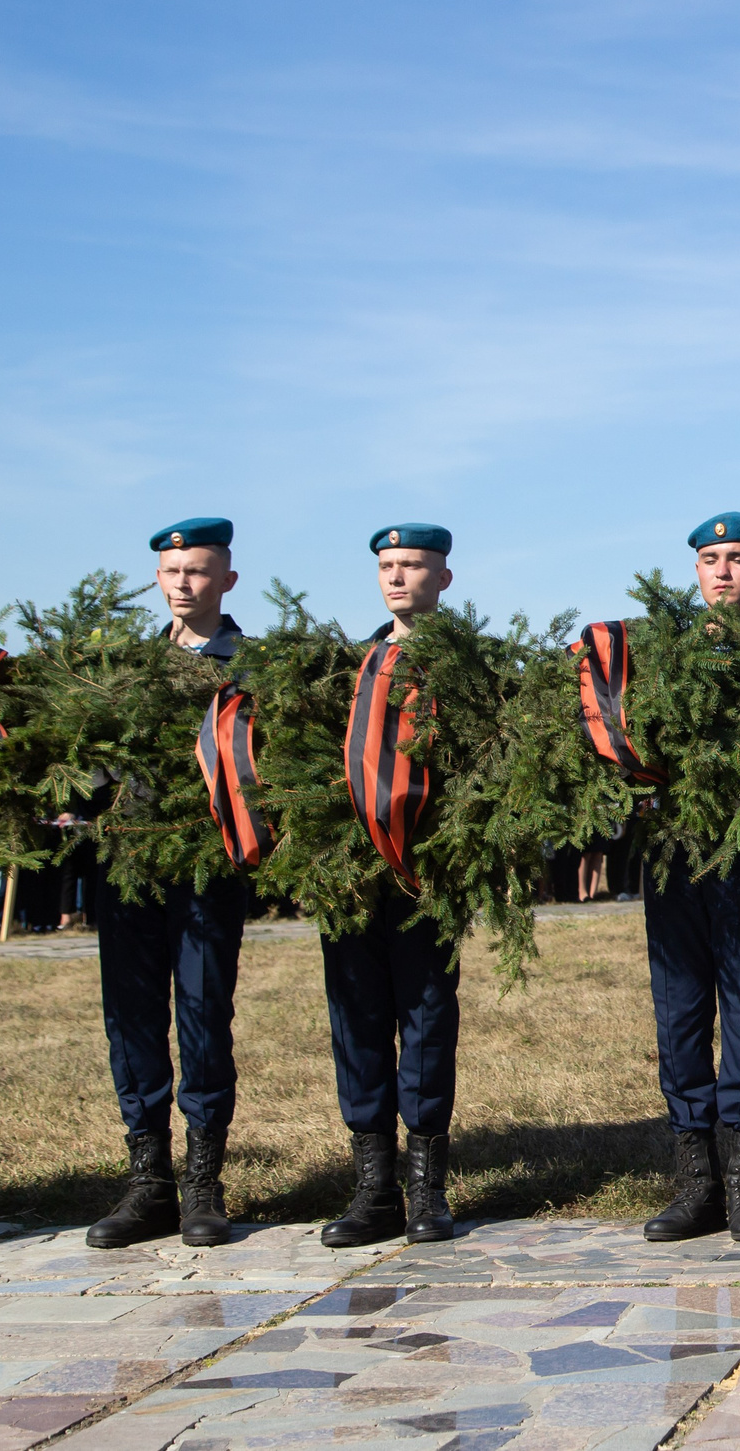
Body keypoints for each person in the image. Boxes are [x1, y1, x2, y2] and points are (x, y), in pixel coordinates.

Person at [87, 518, 253, 1251]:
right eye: (171, 571)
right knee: (130, 1019)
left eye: (197, 570)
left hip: (207, 871)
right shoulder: (127, 670)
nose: (182, 583)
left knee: (202, 1012)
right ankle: (147, 1180)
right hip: (128, 868)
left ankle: (202, 1182)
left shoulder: (253, 669)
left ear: (226, 579)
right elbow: (94, 762)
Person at [640, 512, 740, 1244]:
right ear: (695, 570)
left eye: (738, 557)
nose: (724, 570)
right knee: (678, 1015)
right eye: (711, 558)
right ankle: (694, 1178)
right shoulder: (660, 660)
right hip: (672, 856)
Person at [317, 524, 465, 1250]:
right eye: (387, 565)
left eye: (413, 565)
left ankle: (425, 1188)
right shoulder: (354, 665)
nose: (397, 577)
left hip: (426, 876)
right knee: (358, 1023)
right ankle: (372, 1188)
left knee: (429, 1021)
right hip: (353, 879)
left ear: (443, 577)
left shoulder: (468, 669)